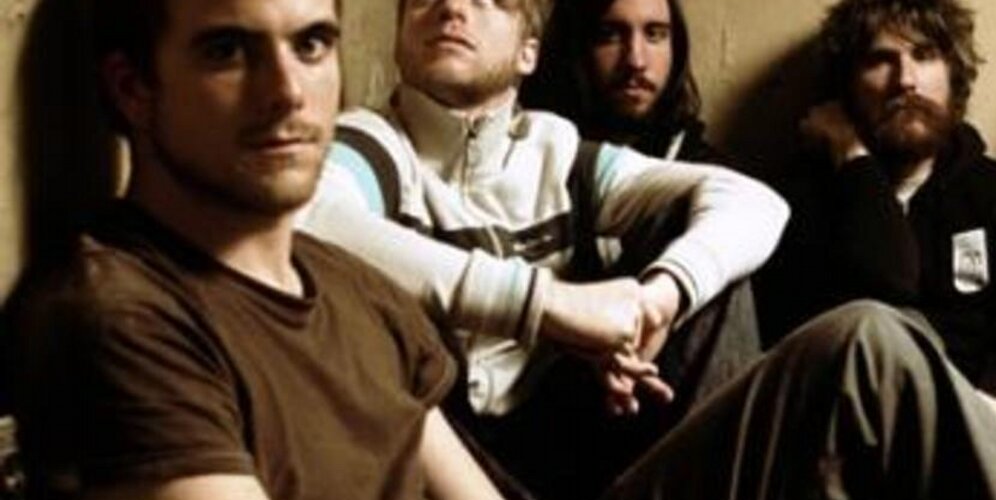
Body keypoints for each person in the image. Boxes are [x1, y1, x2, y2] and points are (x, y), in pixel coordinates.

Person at [2, 0, 507, 497]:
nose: (288, 92)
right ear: (133, 88)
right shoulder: (121, 319)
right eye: (227, 51)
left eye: (310, 45)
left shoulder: (360, 290)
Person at [296, 0, 784, 497]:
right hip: (447, 451)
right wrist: (546, 305)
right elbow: (302, 221)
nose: (451, 7)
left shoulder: (556, 149)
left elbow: (753, 201)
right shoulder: (372, 144)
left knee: (719, 276)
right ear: (400, 42)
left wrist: (657, 301)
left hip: (578, 442)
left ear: (528, 52)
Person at [760, 0, 996, 497]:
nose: (905, 80)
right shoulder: (795, 203)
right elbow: (889, 283)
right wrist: (853, 160)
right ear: (847, 87)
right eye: (880, 60)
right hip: (859, 438)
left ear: (953, 74)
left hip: (990, 424)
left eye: (924, 55)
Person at [521, 0, 727, 164]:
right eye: (609, 36)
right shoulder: (527, 159)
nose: (636, 61)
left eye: (654, 35)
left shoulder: (711, 177)